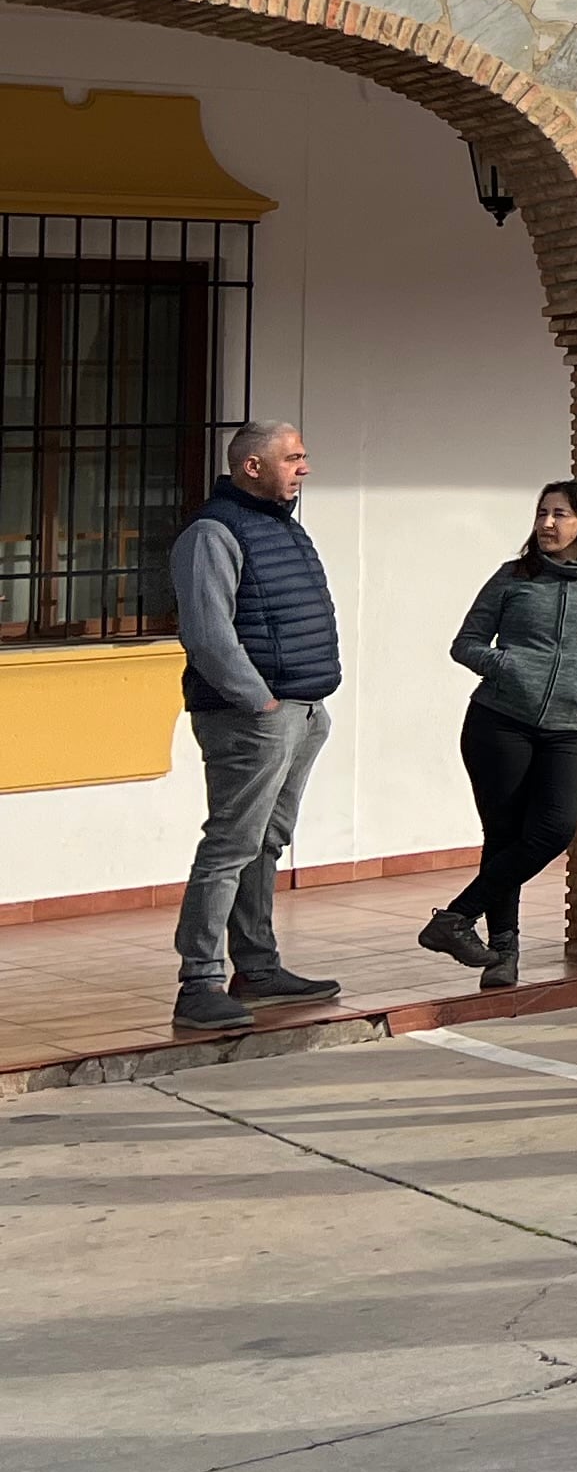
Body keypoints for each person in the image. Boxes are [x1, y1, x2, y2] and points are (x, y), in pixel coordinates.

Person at [167, 422, 346, 1036]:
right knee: (230, 846)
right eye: (293, 457)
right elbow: (208, 631)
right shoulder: (213, 531)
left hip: (303, 711)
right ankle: (199, 983)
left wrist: (304, 706)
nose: (304, 467)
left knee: (266, 842)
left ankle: (259, 968)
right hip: (250, 719)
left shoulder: (280, 525)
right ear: (251, 465)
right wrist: (259, 703)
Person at [420, 477, 577, 993]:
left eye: (560, 515)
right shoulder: (513, 577)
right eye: (542, 514)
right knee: (504, 838)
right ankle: (503, 953)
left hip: (569, 728)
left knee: (555, 830)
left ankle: (455, 918)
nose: (547, 524)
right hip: (499, 723)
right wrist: (509, 667)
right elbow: (465, 643)